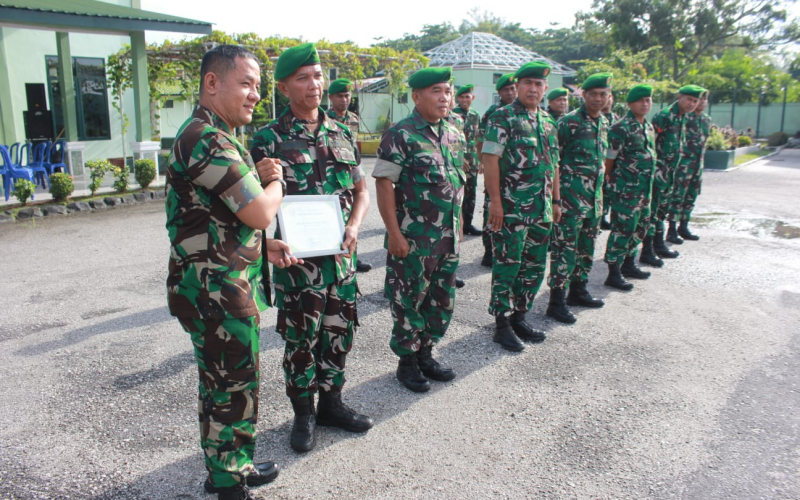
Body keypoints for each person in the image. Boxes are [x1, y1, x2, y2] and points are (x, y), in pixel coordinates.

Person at [166, 45, 300, 500]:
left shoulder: (218, 135)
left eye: (258, 87)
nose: (255, 95)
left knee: (228, 383)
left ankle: (232, 465)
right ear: (212, 83)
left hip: (221, 283)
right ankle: (228, 482)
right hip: (216, 291)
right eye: (246, 83)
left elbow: (222, 216)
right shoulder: (207, 138)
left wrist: (267, 245)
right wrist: (276, 181)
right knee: (230, 386)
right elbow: (260, 211)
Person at [250, 43, 373, 454]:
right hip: (297, 263)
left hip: (341, 259)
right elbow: (248, 207)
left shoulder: (340, 132)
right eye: (303, 78)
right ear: (284, 87)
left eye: (317, 75)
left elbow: (361, 191)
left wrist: (355, 226)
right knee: (301, 342)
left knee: (339, 333)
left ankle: (331, 405)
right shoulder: (266, 139)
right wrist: (266, 242)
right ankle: (303, 414)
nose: (314, 84)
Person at [374, 67, 465, 392]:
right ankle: (407, 362)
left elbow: (456, 186)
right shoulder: (401, 134)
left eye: (448, 91)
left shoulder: (455, 133)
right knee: (408, 300)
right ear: (417, 96)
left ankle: (427, 353)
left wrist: (460, 226)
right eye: (436, 91)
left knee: (441, 300)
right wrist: (395, 234)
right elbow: (384, 185)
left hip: (448, 239)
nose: (445, 97)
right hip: (413, 240)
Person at [482, 61, 560, 351]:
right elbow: (490, 160)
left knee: (534, 266)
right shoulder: (503, 117)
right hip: (512, 210)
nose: (533, 88)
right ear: (518, 86)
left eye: (538, 84)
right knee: (507, 266)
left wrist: (555, 200)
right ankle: (501, 324)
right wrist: (496, 204)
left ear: (545, 89)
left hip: (541, 210)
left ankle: (520, 316)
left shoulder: (549, 121)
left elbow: (554, 165)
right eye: (527, 83)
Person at [545, 73, 611, 324]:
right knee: (564, 249)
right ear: (583, 96)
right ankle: (556, 301)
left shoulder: (603, 123)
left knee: (586, 247)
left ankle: (578, 290)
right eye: (593, 94)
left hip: (593, 200)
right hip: (571, 200)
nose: (598, 98)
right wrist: (556, 199)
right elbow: (554, 163)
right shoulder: (568, 123)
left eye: (603, 94)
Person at [603, 84, 658, 290]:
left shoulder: (648, 127)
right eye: (640, 101)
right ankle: (614, 271)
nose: (645, 104)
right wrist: (612, 184)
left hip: (644, 190)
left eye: (648, 100)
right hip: (625, 190)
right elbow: (609, 160)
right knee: (622, 230)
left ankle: (628, 263)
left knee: (641, 227)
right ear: (630, 104)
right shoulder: (620, 128)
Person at [648, 85, 703, 258]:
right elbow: (651, 143)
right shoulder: (665, 116)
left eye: (695, 101)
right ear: (680, 97)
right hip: (659, 173)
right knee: (653, 211)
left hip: (672, 174)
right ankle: (648, 249)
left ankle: (658, 245)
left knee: (662, 210)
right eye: (689, 99)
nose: (692, 104)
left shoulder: (683, 117)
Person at [326, 78, 372, 273]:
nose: (344, 100)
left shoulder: (353, 119)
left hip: (351, 170)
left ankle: (353, 254)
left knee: (354, 215)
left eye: (347, 96)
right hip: (333, 173)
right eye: (340, 96)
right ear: (331, 98)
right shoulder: (326, 119)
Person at [479, 73, 518, 267]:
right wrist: (482, 163)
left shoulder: (523, 111)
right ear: (500, 93)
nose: (510, 93)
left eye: (513, 88)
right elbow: (481, 140)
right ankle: (489, 250)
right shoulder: (494, 112)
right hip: (496, 172)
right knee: (491, 210)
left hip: (516, 177)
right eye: (506, 90)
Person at [667, 90, 711, 241]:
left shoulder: (706, 120)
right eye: (700, 99)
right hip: (683, 165)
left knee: (691, 196)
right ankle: (671, 229)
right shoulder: (685, 117)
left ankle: (684, 226)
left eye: (705, 100)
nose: (703, 102)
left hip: (697, 165)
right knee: (677, 196)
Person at [453, 84, 483, 237]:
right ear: (458, 98)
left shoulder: (475, 115)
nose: (465, 100)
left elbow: (477, 138)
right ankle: (456, 224)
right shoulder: (452, 115)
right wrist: (460, 157)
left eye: (468, 96)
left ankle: (468, 224)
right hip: (457, 162)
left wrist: (481, 160)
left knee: (471, 194)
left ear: (473, 97)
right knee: (457, 193)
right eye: (462, 97)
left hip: (473, 161)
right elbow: (450, 140)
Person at [600, 94, 620, 230]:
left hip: (612, 160)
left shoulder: (616, 119)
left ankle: (604, 215)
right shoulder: (597, 116)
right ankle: (600, 217)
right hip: (601, 160)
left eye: (609, 97)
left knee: (607, 192)